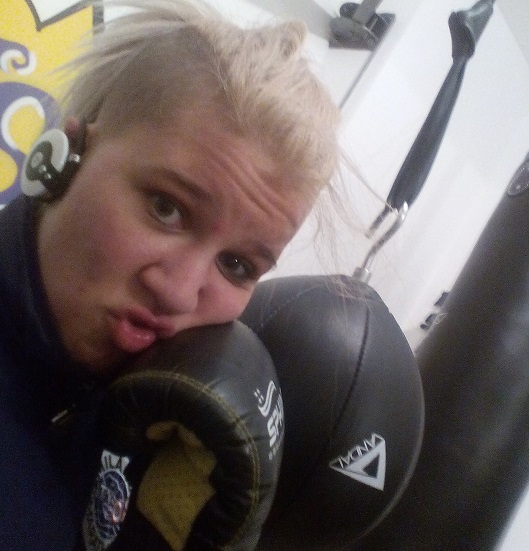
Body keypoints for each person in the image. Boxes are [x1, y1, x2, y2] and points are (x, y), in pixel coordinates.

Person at [0, 0, 341, 549]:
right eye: (166, 207)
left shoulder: (167, 420)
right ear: (64, 155)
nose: (179, 293)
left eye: (237, 265)